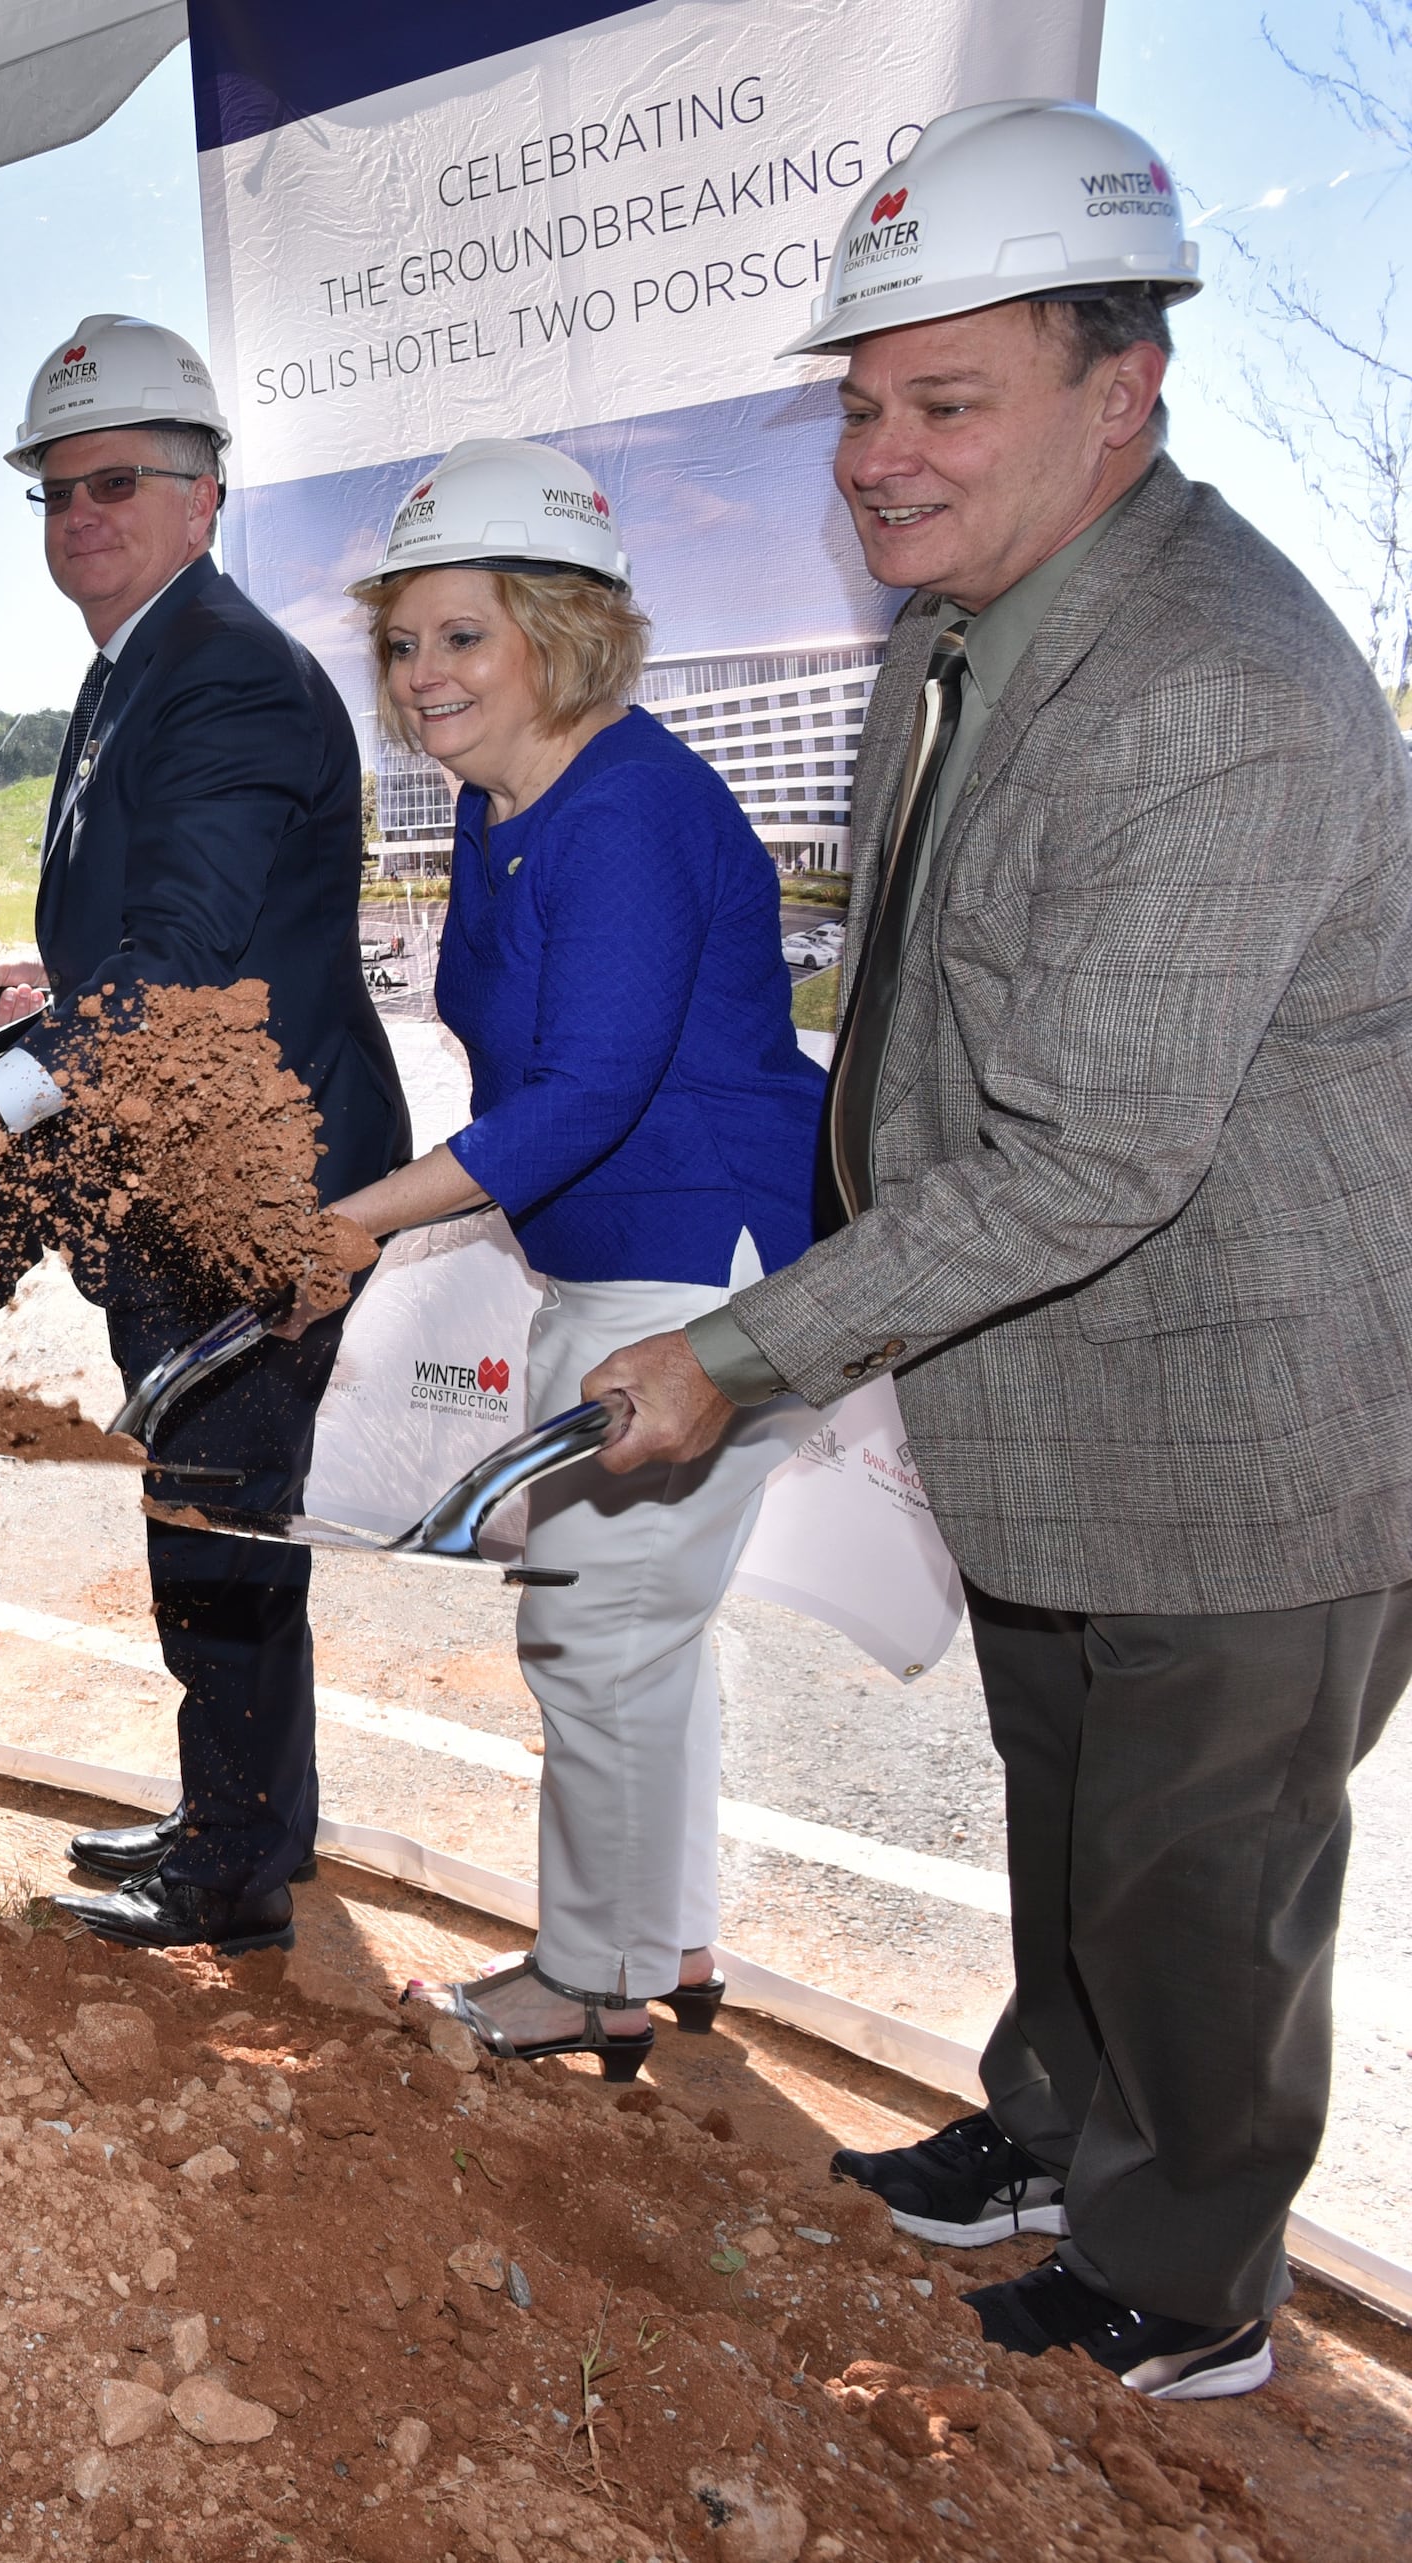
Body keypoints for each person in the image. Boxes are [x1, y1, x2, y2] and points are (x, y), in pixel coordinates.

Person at [582, 102, 1411, 2399]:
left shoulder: (1207, 688)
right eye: (861, 402)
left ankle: (1180, 2276)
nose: (877, 455)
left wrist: (745, 1352)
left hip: (1248, 1419)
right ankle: (1053, 2127)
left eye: (941, 402)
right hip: (1061, 1392)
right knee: (1073, 1811)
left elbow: (1081, 1160)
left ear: (1116, 391)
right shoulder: (963, 631)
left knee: (1196, 1873)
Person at [0, 316, 407, 1952]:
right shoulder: (142, 667)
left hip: (256, 1189)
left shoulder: (227, 674)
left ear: (205, 497)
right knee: (206, 1503)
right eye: (52, 490)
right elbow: (162, 945)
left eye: (113, 483)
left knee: (217, 1513)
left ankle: (234, 1877)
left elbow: (181, 971)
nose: (77, 516)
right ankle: (241, 1819)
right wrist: (60, 984)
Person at [305, 440, 826, 2067]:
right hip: (610, 1264)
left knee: (594, 1626)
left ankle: (591, 1974)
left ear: (561, 627)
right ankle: (658, 1941)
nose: (425, 671)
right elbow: (534, 1080)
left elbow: (593, 1092)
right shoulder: (503, 802)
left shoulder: (625, 811)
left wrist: (356, 1223)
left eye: (465, 633)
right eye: (404, 638)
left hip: (700, 1267)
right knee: (636, 1628)